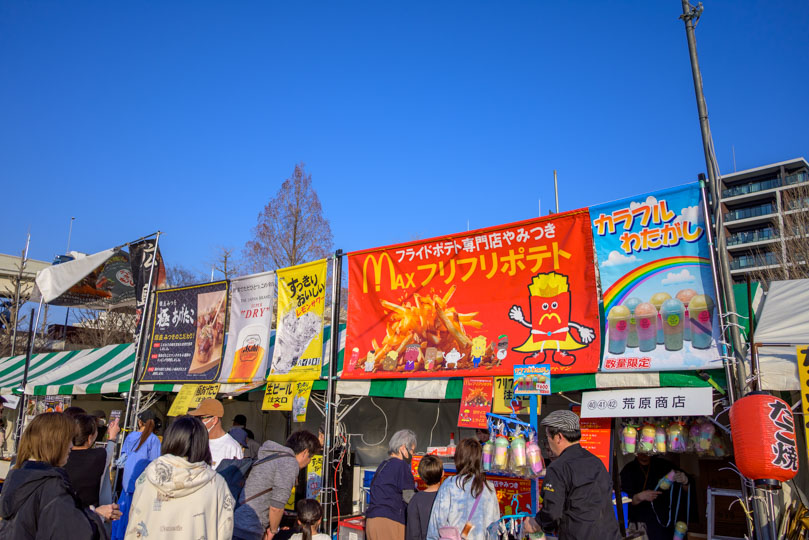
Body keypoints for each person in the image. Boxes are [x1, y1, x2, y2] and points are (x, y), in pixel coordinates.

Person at [0, 412, 120, 539]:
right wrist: (98, 516)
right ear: (55, 442)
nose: (71, 445)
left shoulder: (18, 473)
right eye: (68, 439)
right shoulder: (51, 485)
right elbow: (71, 532)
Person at [124, 415, 234, 539]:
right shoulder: (216, 484)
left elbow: (134, 522)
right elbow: (225, 530)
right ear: (202, 444)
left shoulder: (147, 476)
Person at [523, 410, 621, 539]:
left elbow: (552, 513)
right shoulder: (596, 462)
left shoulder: (558, 468)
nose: (548, 443)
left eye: (547, 437)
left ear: (558, 437)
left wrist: (536, 523)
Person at [233, 430, 321, 540]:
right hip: (249, 526)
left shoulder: (272, 455)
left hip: (238, 519)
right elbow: (276, 507)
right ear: (305, 452)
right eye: (310, 457)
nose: (309, 462)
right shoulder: (289, 463)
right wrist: (273, 531)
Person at [426, 439, 500, 540]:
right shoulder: (488, 487)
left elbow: (436, 522)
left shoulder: (450, 484)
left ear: (459, 457)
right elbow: (493, 528)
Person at [110, 410, 161, 540]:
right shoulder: (154, 440)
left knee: (122, 516)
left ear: (139, 422)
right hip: (142, 486)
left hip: (126, 484)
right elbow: (156, 464)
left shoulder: (131, 436)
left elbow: (122, 459)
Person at [620, 453, 691, 539]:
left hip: (662, 522)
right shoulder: (628, 470)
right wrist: (639, 497)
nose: (644, 454)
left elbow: (684, 490)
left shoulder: (664, 465)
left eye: (647, 451)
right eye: (641, 451)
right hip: (639, 522)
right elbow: (622, 500)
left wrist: (685, 481)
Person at [365, 429, 418, 540]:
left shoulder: (383, 465)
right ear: (403, 448)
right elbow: (409, 497)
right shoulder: (401, 465)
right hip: (389, 521)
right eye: (412, 451)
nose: (413, 454)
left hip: (372, 521)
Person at [64, 414, 112, 508]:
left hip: (64, 510)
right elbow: (109, 452)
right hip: (90, 513)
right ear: (89, 438)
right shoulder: (98, 456)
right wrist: (112, 438)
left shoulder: (61, 457)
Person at [188, 398, 243, 468]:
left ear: (214, 420)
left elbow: (235, 475)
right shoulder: (194, 441)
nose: (197, 422)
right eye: (195, 418)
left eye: (200, 418)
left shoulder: (232, 447)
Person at [406, 454, 443, 540]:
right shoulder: (447, 497)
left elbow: (413, 533)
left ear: (421, 475)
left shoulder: (415, 500)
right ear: (442, 474)